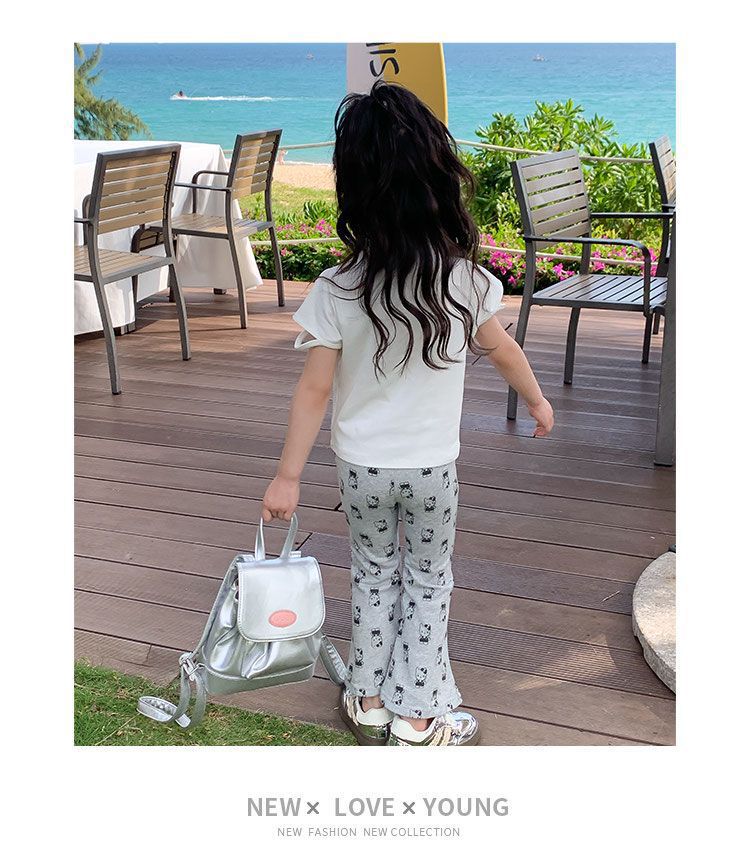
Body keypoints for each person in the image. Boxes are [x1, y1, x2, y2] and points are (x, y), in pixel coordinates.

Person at [261, 82, 554, 747]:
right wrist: (536, 401)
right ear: (438, 181)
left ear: (354, 189)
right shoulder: (467, 282)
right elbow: (503, 350)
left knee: (372, 574)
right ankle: (418, 719)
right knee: (426, 582)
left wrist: (286, 477)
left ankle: (367, 700)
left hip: (361, 468)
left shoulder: (337, 287)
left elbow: (313, 390)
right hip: (431, 470)